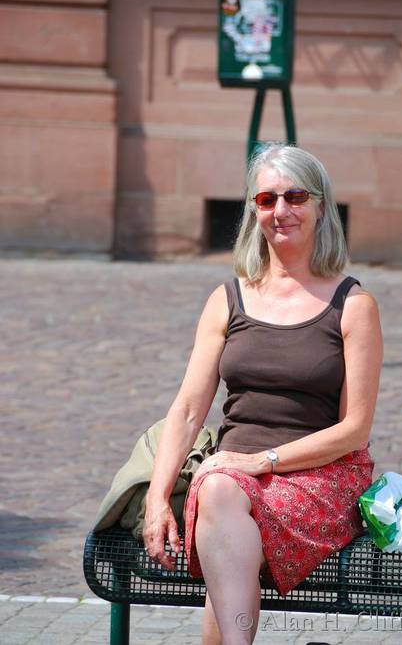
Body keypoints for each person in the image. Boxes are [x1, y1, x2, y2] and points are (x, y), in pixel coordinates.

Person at [142, 144, 383, 644]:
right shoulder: (227, 298)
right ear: (254, 210)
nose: (281, 211)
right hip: (229, 481)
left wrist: (263, 461)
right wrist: (156, 497)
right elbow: (187, 409)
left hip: (321, 475)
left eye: (295, 196)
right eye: (267, 199)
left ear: (320, 206)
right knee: (221, 493)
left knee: (222, 498)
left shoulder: (354, 305)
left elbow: (354, 429)